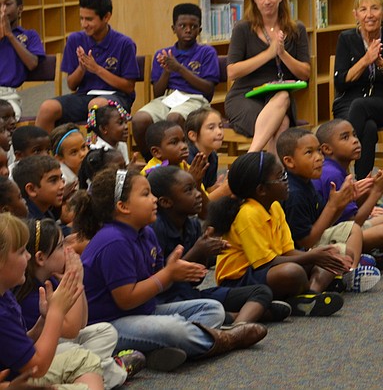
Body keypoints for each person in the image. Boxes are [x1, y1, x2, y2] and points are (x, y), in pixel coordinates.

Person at [76, 166, 267, 372]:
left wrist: (176, 273)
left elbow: (156, 286)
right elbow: (126, 299)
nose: (154, 199)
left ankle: (151, 353)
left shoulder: (146, 233)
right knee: (174, 329)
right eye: (145, 194)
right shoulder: (113, 240)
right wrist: (168, 274)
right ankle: (227, 339)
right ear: (123, 207)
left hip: (143, 311)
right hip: (107, 325)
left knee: (212, 309)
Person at [206, 151, 347, 317]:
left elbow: (287, 251)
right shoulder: (247, 213)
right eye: (281, 177)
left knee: (329, 255)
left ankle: (308, 296)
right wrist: (311, 257)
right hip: (239, 280)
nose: (287, 181)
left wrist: (319, 256)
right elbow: (265, 263)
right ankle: (306, 294)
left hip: (267, 268)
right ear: (261, 189)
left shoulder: (274, 207)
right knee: (293, 272)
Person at [147, 166, 291, 325]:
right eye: (189, 190)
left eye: (196, 188)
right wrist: (197, 251)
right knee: (210, 310)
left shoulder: (193, 226)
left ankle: (237, 322)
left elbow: (196, 280)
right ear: (166, 202)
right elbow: (158, 284)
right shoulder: (155, 229)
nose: (198, 195)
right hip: (164, 302)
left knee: (261, 291)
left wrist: (205, 253)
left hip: (190, 295)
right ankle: (239, 320)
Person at [15, 218, 146, 388]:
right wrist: (74, 279)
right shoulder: (31, 296)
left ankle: (95, 370)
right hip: (45, 355)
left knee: (105, 331)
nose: (68, 250)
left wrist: (80, 284)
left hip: (57, 344)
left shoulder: (52, 280)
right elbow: (72, 329)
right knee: (76, 352)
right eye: (61, 246)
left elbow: (83, 321)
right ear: (40, 258)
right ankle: (111, 371)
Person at [0, 213, 105, 389]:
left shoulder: (5, 294)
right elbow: (37, 366)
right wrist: (56, 311)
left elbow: (20, 346)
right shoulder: (9, 307)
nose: (28, 257)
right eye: (21, 252)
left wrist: (42, 323)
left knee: (84, 357)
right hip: (24, 375)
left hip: (18, 377)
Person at [276, 128, 382, 292]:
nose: (319, 157)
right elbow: (307, 241)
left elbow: (324, 223)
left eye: (318, 150)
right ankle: (313, 292)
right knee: (339, 251)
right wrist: (334, 205)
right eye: (309, 153)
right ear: (290, 162)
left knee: (344, 249)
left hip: (306, 250)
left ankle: (342, 274)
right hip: (296, 255)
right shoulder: (294, 194)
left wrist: (342, 203)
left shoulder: (306, 182)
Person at [313, 118, 383, 268]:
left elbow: (346, 214)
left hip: (342, 228)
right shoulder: (332, 174)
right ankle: (380, 256)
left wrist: (366, 191)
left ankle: (380, 252)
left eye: (354, 135)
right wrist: (376, 192)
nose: (355, 141)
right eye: (345, 138)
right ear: (327, 149)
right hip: (327, 236)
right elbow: (353, 223)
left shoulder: (337, 169)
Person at [224, 0, 310, 153]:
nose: (267, 1)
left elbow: (305, 73)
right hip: (244, 95)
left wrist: (282, 53)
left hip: (278, 96)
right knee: (281, 123)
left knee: (284, 98)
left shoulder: (297, 29)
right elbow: (232, 71)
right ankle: (273, 175)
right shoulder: (243, 28)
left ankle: (252, 159)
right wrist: (269, 53)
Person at [35, 0, 140, 131]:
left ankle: (96, 152)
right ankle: (45, 152)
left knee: (96, 106)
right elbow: (72, 85)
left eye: (89, 19)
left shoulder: (124, 43)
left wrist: (97, 69)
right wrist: (82, 67)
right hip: (83, 96)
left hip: (117, 99)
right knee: (47, 108)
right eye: (81, 18)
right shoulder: (74, 40)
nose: (84, 24)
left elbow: (128, 87)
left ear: (106, 17)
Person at [332, 0, 383, 179]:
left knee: (362, 107)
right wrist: (365, 60)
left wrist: (381, 63)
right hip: (347, 105)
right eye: (363, 9)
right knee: (369, 128)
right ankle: (363, 189)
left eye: (374, 8)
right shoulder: (346, 39)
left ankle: (338, 165)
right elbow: (340, 81)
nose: (369, 15)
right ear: (356, 14)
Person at [132, 3, 219, 159]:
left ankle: (181, 160)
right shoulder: (164, 54)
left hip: (195, 99)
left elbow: (208, 91)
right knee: (139, 119)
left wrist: (180, 69)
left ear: (199, 30)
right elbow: (157, 93)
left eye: (193, 26)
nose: (188, 29)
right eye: (182, 26)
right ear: (174, 28)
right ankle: (151, 161)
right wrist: (167, 70)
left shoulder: (207, 52)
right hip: (168, 97)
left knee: (174, 117)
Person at [0, 0, 44, 121]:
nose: (3, 9)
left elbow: (32, 64)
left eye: (7, 4)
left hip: (8, 95)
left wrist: (10, 35)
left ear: (19, 9)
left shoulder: (29, 35)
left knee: (4, 119)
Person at [185, 107, 227, 198]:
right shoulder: (189, 159)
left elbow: (207, 190)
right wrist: (222, 191)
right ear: (193, 135)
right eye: (211, 128)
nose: (219, 132)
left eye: (220, 126)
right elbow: (196, 201)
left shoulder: (213, 156)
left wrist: (216, 188)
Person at [50, 123, 89, 188]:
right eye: (74, 152)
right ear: (59, 159)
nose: (82, 154)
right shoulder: (63, 182)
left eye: (83, 147)